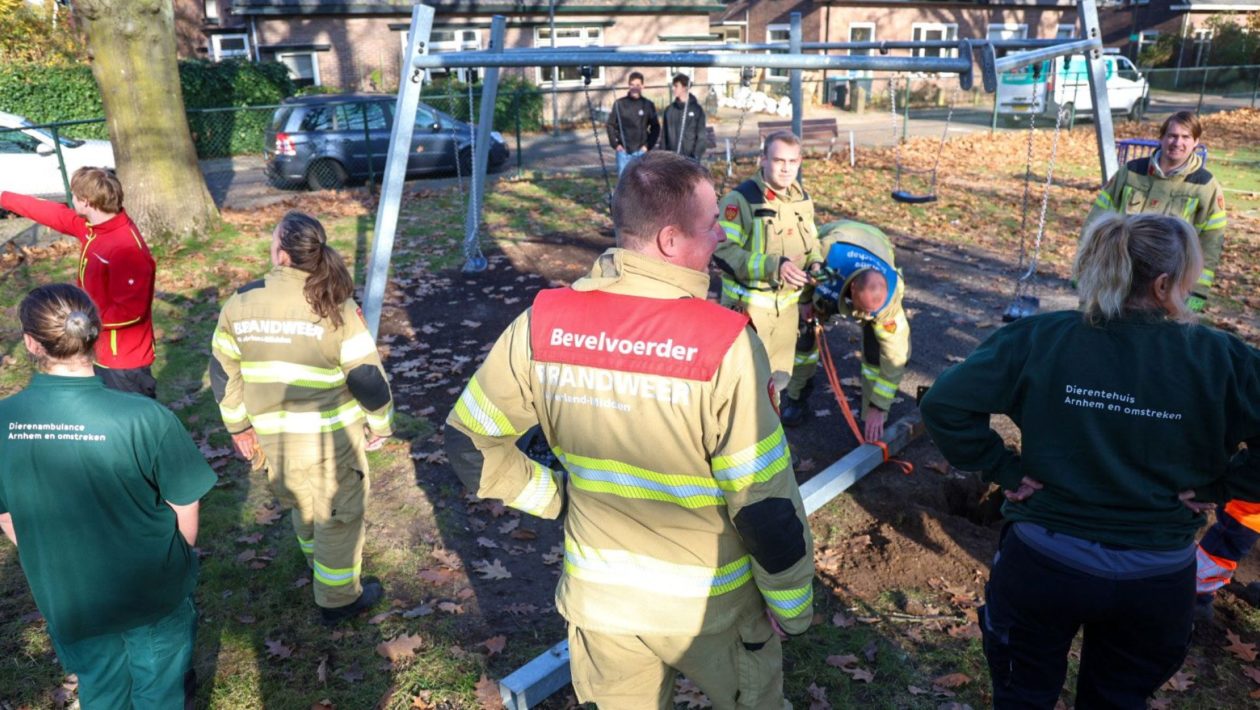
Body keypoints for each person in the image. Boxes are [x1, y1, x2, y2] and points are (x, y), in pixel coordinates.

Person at [445, 152, 814, 710]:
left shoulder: (543, 323)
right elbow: (762, 501)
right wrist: (792, 608)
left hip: (601, 609)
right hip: (712, 607)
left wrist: (557, 497)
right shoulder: (726, 345)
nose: (721, 235)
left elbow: (468, 441)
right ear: (670, 240)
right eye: (713, 222)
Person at [922, 213, 1260, 709]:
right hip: (1156, 576)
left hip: (1042, 563)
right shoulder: (1223, 358)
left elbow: (943, 403)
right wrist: (1223, 486)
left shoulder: (1039, 337)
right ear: (1166, 283)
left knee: (1022, 696)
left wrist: (1003, 468)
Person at [0, 283, 215, 708]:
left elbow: (8, 518)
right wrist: (179, 562)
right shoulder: (146, 417)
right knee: (160, 689)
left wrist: (55, 564)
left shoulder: (4, 421)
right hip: (151, 592)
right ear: (96, 336)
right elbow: (185, 503)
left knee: (101, 687)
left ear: (31, 342)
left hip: (69, 597)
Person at [210, 211, 394, 626]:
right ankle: (338, 600)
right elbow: (367, 378)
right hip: (331, 441)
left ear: (282, 255)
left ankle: (318, 567)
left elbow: (223, 375)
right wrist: (381, 423)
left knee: (302, 503)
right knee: (338, 514)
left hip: (274, 441)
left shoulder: (239, 303)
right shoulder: (335, 306)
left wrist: (239, 427)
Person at [1, 167, 157, 397]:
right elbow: (53, 213)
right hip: (94, 349)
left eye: (73, 195)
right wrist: (4, 197)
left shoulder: (127, 249)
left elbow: (130, 312)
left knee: (133, 425)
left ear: (85, 202)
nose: (71, 199)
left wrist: (78, 324)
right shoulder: (91, 227)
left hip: (121, 361)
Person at [1081, 110, 1226, 314]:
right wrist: (1085, 268)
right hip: (1121, 274)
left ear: (1196, 142)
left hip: (1168, 285)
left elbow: (1211, 242)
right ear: (1161, 138)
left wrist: (1198, 292)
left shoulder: (1205, 186)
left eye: (1185, 137)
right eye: (1172, 136)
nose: (1177, 142)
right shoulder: (1131, 172)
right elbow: (1097, 221)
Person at [781, 220, 910, 441]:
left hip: (875, 240)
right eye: (866, 311)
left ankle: (872, 413)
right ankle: (796, 399)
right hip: (839, 234)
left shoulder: (890, 298)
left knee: (875, 351)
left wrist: (879, 406)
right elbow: (803, 270)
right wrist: (804, 301)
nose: (869, 317)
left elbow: (895, 356)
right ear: (851, 288)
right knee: (804, 338)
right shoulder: (827, 258)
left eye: (873, 313)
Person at [714, 131, 821, 397]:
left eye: (792, 161)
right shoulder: (740, 201)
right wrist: (774, 266)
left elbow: (813, 240)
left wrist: (816, 262)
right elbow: (722, 251)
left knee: (776, 384)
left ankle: (770, 433)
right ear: (763, 160)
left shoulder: (801, 198)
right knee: (743, 387)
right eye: (778, 160)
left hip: (786, 313)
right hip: (748, 313)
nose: (786, 168)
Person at [606, 71, 660, 176]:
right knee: (624, 182)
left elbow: (655, 127)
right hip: (623, 152)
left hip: (641, 151)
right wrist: (615, 145)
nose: (635, 87)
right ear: (629, 85)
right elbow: (610, 125)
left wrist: (647, 146)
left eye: (638, 85)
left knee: (642, 181)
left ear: (643, 86)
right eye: (632, 85)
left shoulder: (647, 105)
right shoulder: (620, 104)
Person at [661, 72, 707, 162]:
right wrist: (663, 157)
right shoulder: (669, 110)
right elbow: (664, 137)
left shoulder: (697, 110)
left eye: (676, 86)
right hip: (672, 159)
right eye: (673, 86)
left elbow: (701, 136)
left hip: (690, 158)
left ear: (685, 87)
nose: (673, 88)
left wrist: (696, 156)